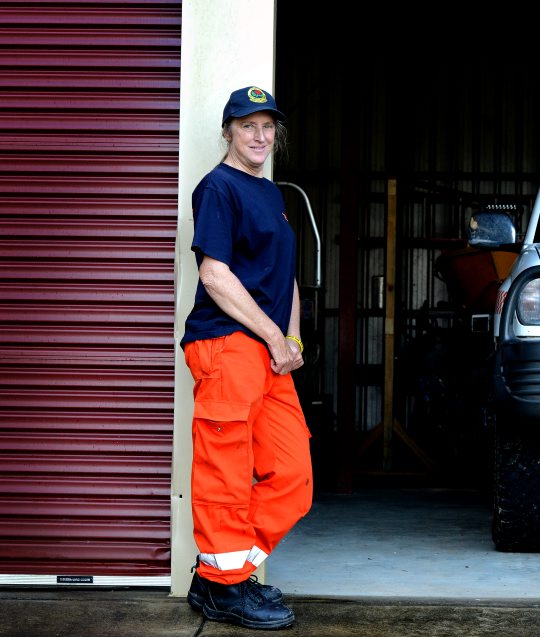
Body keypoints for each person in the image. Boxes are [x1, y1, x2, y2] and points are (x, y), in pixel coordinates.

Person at [180, 85, 313, 630]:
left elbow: (288, 280)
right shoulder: (218, 187)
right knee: (226, 475)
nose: (259, 136)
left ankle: (220, 577)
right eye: (247, 126)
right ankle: (226, 587)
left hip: (268, 352)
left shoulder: (272, 194)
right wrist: (271, 335)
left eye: (267, 127)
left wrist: (293, 339)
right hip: (227, 344)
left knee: (293, 475)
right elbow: (215, 275)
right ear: (228, 132)